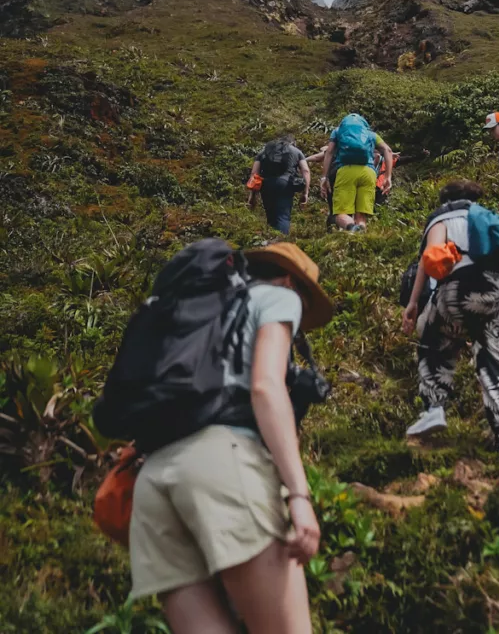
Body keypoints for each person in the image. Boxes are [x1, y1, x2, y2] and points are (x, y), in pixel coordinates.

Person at [128, 242, 334, 634]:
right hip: (223, 465)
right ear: (291, 281)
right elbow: (265, 387)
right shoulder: (279, 295)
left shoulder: (192, 312)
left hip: (153, 480)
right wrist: (299, 496)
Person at [402, 180, 499, 468]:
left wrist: (413, 303)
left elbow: (430, 258)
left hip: (462, 289)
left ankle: (434, 408)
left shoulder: (443, 217)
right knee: (498, 366)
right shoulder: (491, 218)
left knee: (434, 339)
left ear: (445, 200)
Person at [320, 114, 393, 232]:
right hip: (368, 172)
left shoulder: (337, 131)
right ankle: (358, 239)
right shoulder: (371, 134)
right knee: (361, 215)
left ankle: (351, 227)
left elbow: (329, 152)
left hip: (346, 171)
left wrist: (324, 177)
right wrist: (388, 177)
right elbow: (387, 150)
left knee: (340, 214)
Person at [247, 135, 310, 236]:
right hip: (285, 184)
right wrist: (305, 192)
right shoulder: (296, 151)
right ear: (292, 142)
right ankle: (280, 243)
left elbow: (254, 174)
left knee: (271, 215)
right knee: (283, 216)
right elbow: (305, 170)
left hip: (266, 184)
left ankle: (271, 241)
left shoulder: (264, 152)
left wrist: (252, 196)